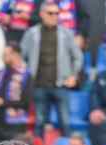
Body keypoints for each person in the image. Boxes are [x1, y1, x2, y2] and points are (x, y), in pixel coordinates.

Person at [20, 1, 82, 135]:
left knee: (65, 122)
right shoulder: (31, 34)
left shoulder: (66, 34)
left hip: (60, 84)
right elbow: (21, 57)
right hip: (38, 85)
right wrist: (27, 74)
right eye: (50, 13)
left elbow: (78, 57)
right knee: (39, 123)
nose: (54, 16)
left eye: (57, 13)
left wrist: (73, 75)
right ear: (42, 14)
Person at [0, 45, 33, 140]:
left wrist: (3, 102)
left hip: (16, 123)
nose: (3, 57)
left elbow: (26, 102)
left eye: (7, 54)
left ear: (16, 55)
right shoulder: (0, 74)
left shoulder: (26, 75)